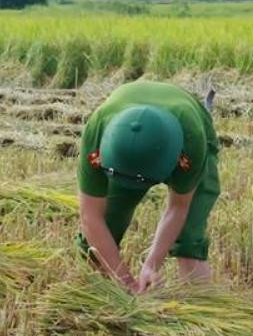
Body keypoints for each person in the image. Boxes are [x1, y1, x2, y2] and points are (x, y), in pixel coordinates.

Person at [75, 80, 220, 293]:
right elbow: (90, 217)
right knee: (96, 247)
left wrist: (151, 265)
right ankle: (112, 312)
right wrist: (126, 282)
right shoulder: (98, 133)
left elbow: (179, 207)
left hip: (187, 125)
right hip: (121, 148)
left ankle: (199, 317)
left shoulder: (191, 141)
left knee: (189, 242)